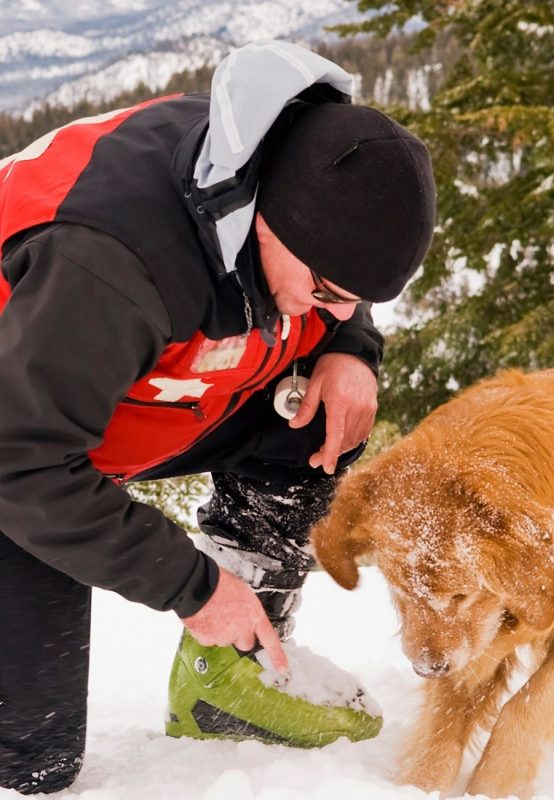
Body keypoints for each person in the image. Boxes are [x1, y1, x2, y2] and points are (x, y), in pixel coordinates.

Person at [0, 40, 436, 794]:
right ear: (268, 223)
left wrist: (352, 349)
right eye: (328, 289)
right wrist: (191, 585)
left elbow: (339, 296)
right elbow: (21, 462)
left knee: (316, 421)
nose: (335, 309)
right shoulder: (107, 265)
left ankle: (228, 676)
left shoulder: (295, 183)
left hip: (96, 411)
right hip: (20, 452)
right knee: (32, 761)